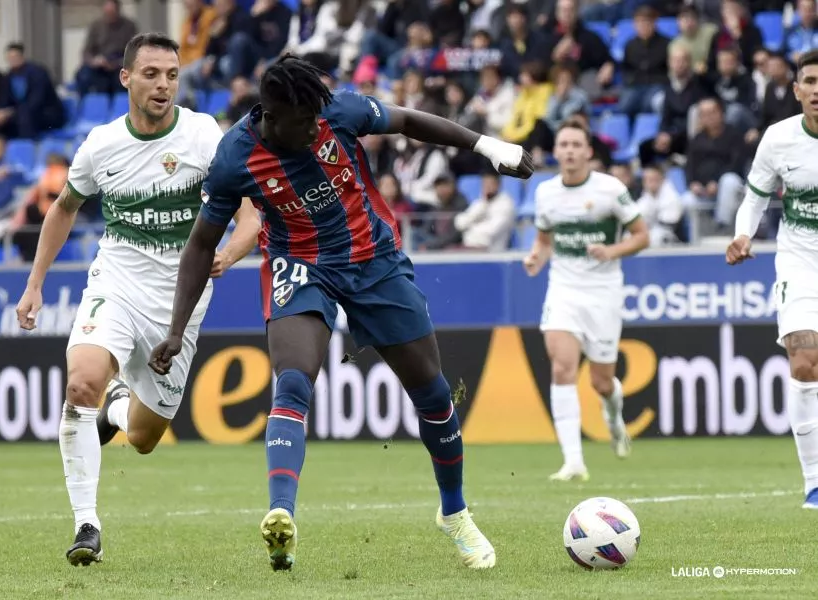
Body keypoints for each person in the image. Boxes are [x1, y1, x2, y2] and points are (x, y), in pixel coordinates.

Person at [148, 55, 534, 572]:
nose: (313, 128)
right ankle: (280, 516)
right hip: (300, 264)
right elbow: (200, 245)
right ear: (271, 114)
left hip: (373, 259)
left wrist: (487, 146)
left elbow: (409, 120)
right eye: (302, 122)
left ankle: (455, 512)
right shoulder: (233, 158)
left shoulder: (338, 111)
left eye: (315, 120)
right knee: (292, 382)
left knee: (433, 393)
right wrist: (176, 330)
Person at [14, 32, 261, 566]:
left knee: (146, 437)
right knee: (81, 380)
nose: (163, 85)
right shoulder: (101, 145)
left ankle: (118, 410)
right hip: (116, 283)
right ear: (126, 78)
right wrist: (34, 283)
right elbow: (62, 208)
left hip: (180, 302)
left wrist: (229, 255)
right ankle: (86, 525)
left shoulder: (202, 136)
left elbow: (250, 214)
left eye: (171, 75)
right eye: (151, 74)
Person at [523, 119, 650, 482]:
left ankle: (613, 418)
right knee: (562, 367)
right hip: (563, 290)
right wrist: (535, 258)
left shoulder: (611, 190)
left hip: (603, 295)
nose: (569, 151)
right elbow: (545, 240)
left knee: (602, 383)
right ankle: (573, 461)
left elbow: (642, 236)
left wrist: (612, 250)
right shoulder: (545, 193)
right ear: (556, 150)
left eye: (576, 144)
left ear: (589, 151)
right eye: (563, 144)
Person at [726, 49, 818, 510]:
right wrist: (742, 234)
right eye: (811, 81)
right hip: (800, 262)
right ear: (797, 89)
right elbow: (754, 197)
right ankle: (814, 484)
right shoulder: (779, 139)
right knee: (803, 362)